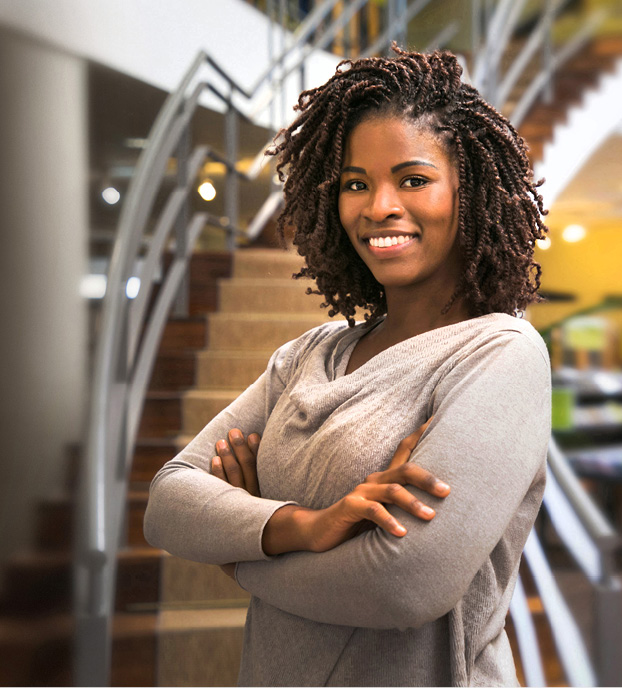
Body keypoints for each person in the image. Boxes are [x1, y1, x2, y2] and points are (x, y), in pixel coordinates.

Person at [144, 46, 551, 687]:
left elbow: (403, 586)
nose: (377, 206)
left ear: (468, 194)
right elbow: (169, 498)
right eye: (355, 183)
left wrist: (239, 550)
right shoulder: (309, 353)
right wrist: (304, 526)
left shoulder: (500, 354)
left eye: (413, 180)